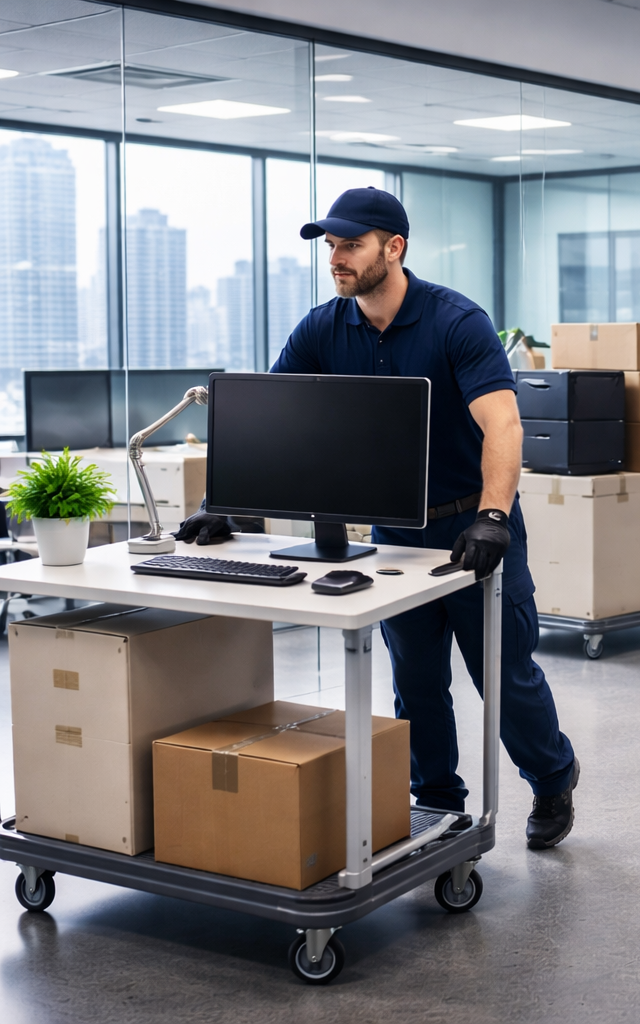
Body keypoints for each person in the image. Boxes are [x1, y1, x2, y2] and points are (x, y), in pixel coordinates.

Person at [179, 187, 579, 848]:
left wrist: (492, 516)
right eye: (330, 246)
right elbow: (278, 420)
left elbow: (502, 423)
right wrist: (225, 505)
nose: (335, 258)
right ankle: (437, 801)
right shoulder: (322, 327)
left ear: (394, 248)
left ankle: (552, 775)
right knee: (416, 680)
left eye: (350, 245)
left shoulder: (457, 322)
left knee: (502, 678)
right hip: (396, 532)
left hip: (471, 526)